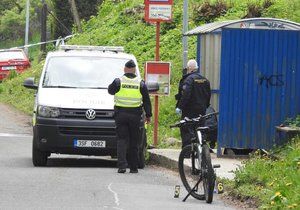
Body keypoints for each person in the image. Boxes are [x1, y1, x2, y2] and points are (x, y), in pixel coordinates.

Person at [108, 60, 152, 174]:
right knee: (134, 141)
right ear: (134, 69)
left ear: (124, 69)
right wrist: (148, 115)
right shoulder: (140, 83)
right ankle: (133, 167)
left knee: (122, 140)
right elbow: (147, 100)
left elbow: (110, 91)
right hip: (135, 115)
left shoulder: (119, 81)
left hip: (121, 115)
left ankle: (122, 166)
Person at [175, 59, 211, 149]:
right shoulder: (205, 80)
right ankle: (201, 149)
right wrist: (205, 106)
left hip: (189, 110)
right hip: (201, 110)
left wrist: (180, 107)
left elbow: (185, 95)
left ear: (189, 69)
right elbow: (208, 95)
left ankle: (187, 151)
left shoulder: (189, 80)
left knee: (186, 128)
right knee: (200, 128)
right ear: (196, 68)